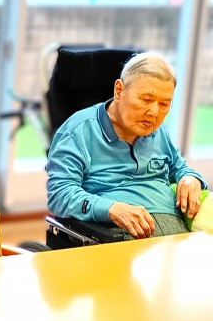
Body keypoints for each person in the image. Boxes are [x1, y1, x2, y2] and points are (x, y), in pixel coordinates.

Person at [46, 52, 207, 239]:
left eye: (164, 104)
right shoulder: (79, 131)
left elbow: (179, 167)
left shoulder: (157, 131)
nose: (154, 112)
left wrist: (189, 178)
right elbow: (59, 195)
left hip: (177, 232)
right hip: (117, 232)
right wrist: (110, 209)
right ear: (119, 90)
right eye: (146, 100)